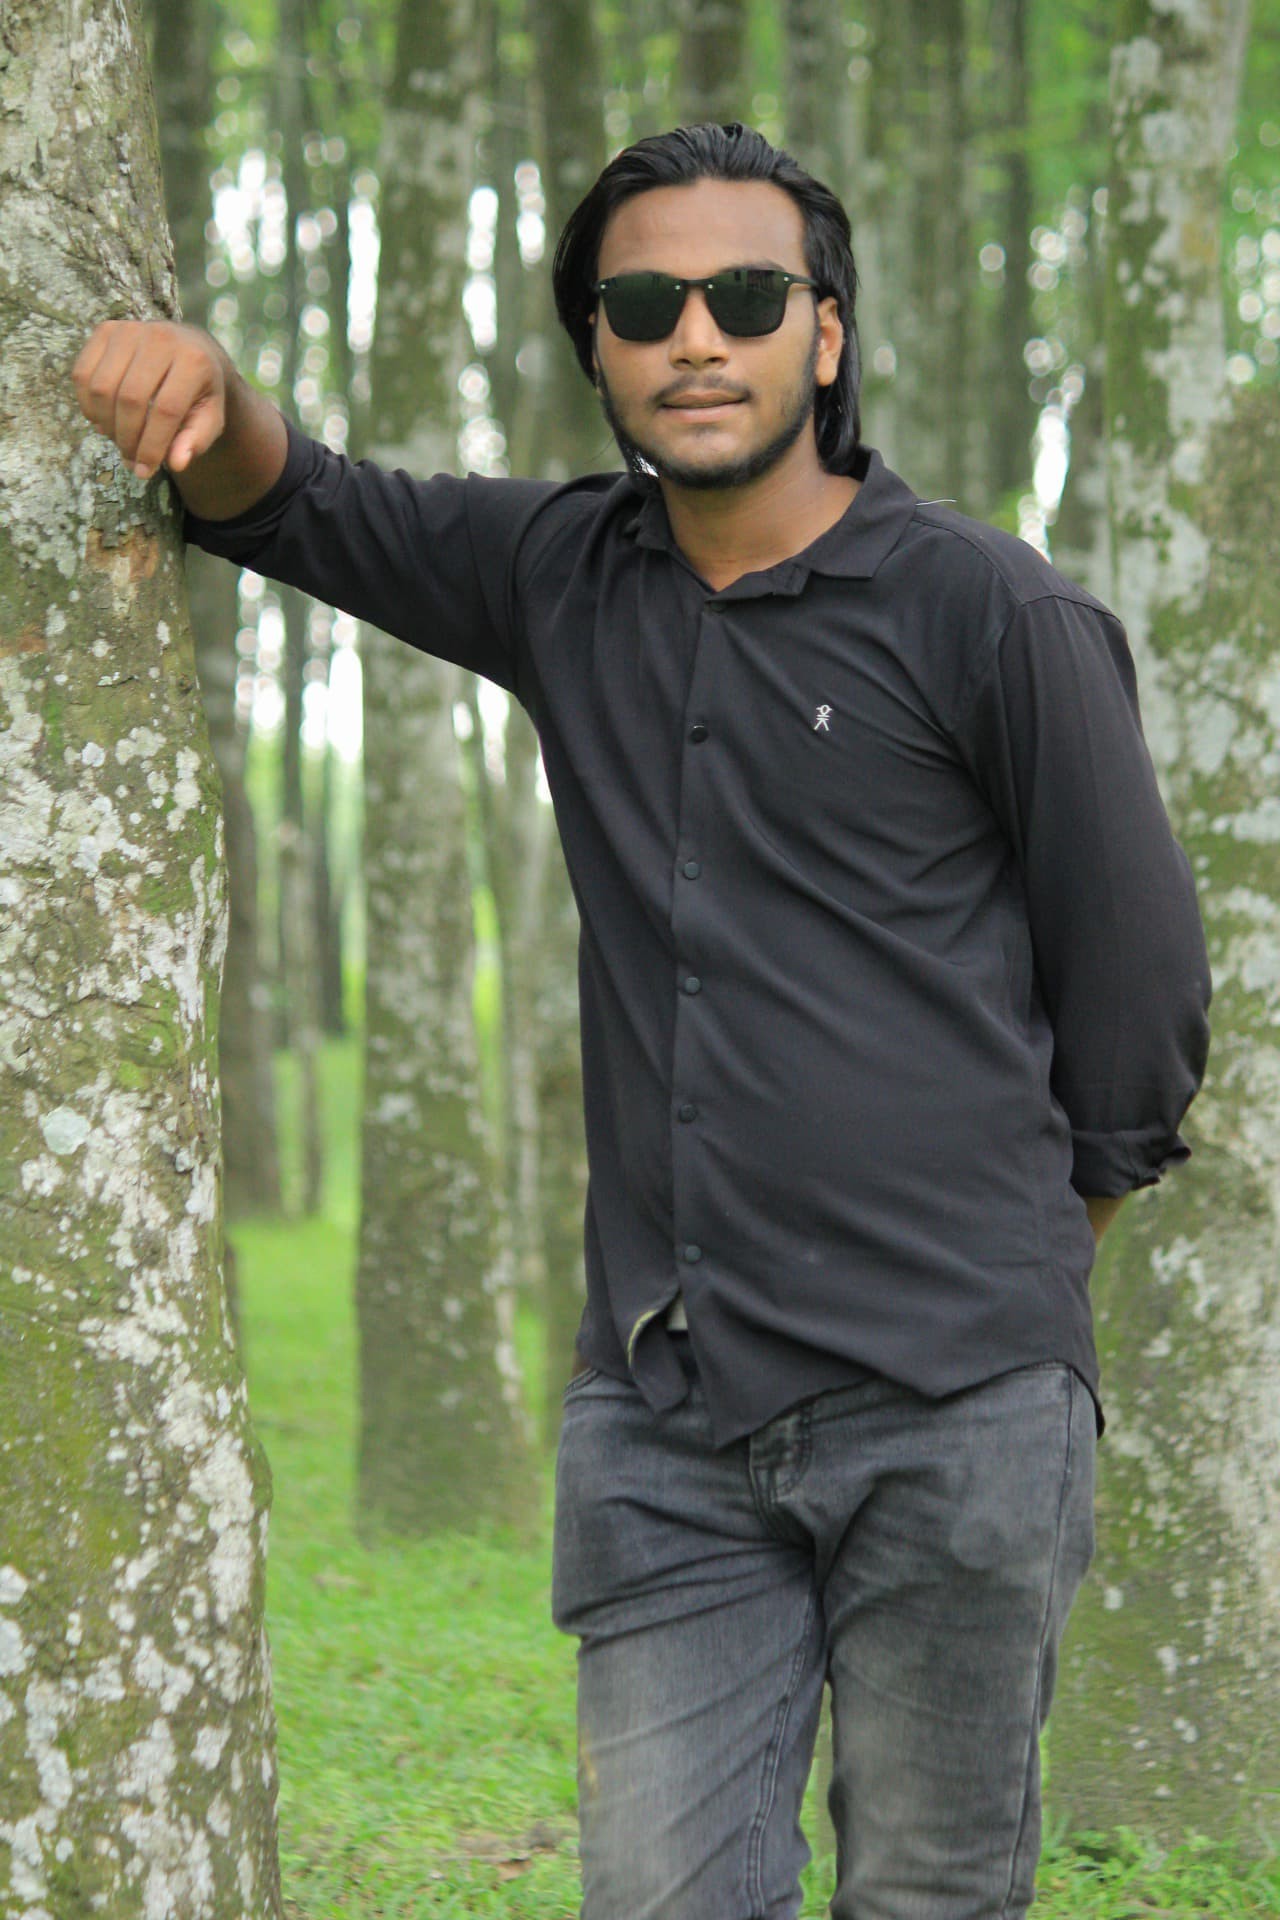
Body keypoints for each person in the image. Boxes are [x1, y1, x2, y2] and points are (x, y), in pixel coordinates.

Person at [73, 122, 1210, 1920]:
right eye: (645, 304)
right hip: (668, 1423)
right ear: (595, 345)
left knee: (933, 1893)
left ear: (824, 334)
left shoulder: (994, 614)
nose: (697, 336)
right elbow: (296, 502)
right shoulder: (561, 574)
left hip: (960, 1414)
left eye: (746, 298)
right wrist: (205, 387)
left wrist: (1015, 1283)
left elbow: (1139, 1002)